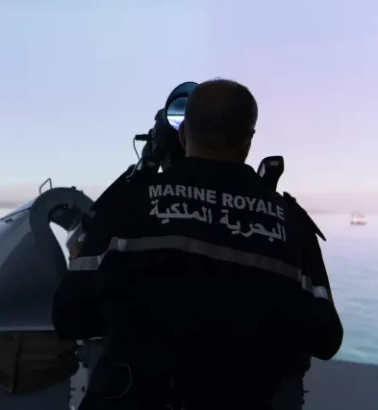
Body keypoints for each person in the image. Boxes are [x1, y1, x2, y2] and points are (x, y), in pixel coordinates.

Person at [52, 79, 343, 410]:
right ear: (248, 139)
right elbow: (326, 339)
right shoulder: (290, 223)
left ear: (182, 134)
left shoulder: (127, 206)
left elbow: (69, 317)